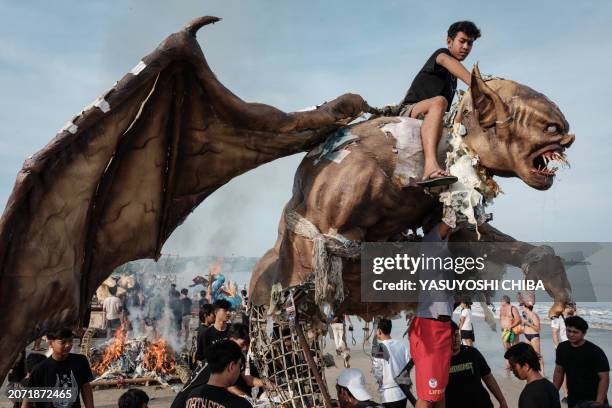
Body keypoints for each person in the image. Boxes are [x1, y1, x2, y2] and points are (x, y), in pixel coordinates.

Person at [399, 21, 480, 187]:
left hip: (432, 115)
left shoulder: (452, 81)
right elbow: (446, 60)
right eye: (462, 41)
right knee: (439, 101)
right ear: (449, 42)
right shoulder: (441, 55)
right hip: (410, 110)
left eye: (470, 43)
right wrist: (480, 86)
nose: (466, 47)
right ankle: (430, 167)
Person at [409, 221, 455, 408]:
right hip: (429, 328)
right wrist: (457, 206)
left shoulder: (444, 251)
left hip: (442, 327)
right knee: (429, 395)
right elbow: (447, 223)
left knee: (440, 391)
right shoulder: (430, 243)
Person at [22, 328, 94, 408]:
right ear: (50, 343)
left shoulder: (80, 361)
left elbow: (86, 388)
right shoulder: (40, 369)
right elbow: (28, 400)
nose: (68, 345)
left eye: (70, 341)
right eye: (63, 342)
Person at [446, 321, 507, 408]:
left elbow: (488, 377)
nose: (455, 339)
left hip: (482, 404)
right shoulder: (439, 360)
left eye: (456, 335)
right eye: (450, 336)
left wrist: (502, 401)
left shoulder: (472, 352)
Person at [553, 316, 610, 407]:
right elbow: (559, 371)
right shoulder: (562, 348)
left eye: (575, 332)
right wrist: (553, 393)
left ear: (584, 333)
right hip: (573, 398)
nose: (571, 334)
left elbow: (604, 378)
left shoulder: (595, 351)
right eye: (569, 331)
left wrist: (598, 403)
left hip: (593, 399)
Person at [184, 340, 252, 408]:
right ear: (231, 366)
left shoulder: (192, 396)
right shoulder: (240, 404)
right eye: (240, 365)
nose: (240, 370)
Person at [504, 342, 560, 408]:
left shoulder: (528, 395)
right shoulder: (551, 387)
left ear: (526, 366)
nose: (511, 369)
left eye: (513, 366)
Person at [370, 319, 409, 408]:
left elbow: (377, 373)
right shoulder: (402, 344)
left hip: (389, 396)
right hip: (403, 392)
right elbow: (407, 367)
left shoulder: (379, 348)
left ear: (379, 331)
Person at [196, 299, 231, 364]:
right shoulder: (206, 334)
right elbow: (200, 358)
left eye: (229, 310)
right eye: (225, 310)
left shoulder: (233, 331)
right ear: (216, 312)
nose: (228, 313)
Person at [499, 295, 522, 368]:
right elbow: (501, 318)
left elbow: (518, 320)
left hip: (512, 330)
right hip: (504, 331)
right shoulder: (501, 309)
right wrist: (501, 326)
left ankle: (517, 364)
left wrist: (510, 326)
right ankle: (509, 364)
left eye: (501, 301)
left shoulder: (513, 308)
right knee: (506, 348)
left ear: (504, 301)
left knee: (515, 348)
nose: (500, 302)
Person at [521, 303, 543, 374]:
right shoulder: (524, 314)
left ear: (526, 307)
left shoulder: (534, 315)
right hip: (526, 335)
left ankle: (542, 372)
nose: (522, 307)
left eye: (523, 306)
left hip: (534, 336)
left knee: (537, 355)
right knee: (528, 354)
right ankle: (531, 371)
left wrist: (528, 324)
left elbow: (538, 329)